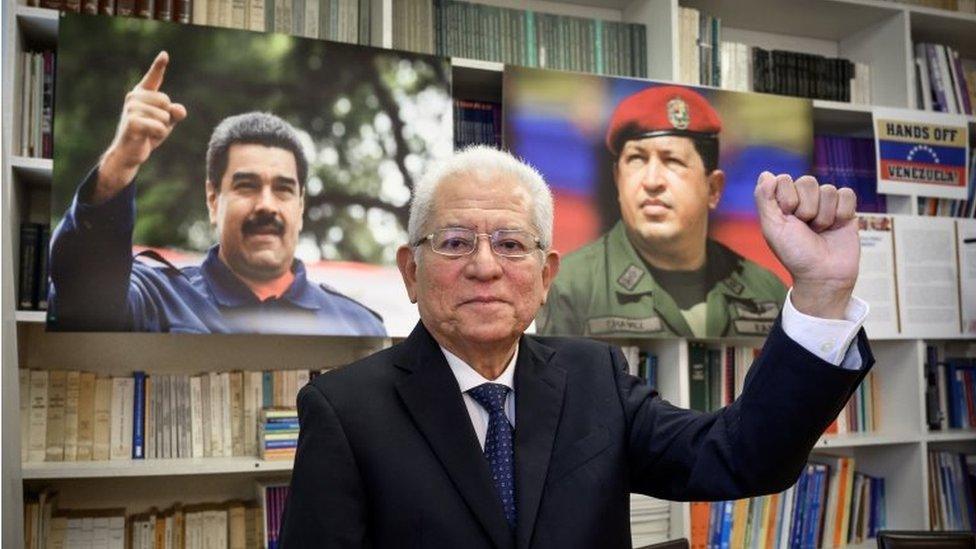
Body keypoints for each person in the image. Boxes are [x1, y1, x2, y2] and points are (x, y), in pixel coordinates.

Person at [279, 145, 872, 548]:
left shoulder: (596, 376)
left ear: (545, 276)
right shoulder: (344, 410)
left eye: (512, 244)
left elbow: (741, 455)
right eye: (456, 242)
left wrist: (821, 294)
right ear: (411, 271)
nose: (485, 266)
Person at [48, 51, 386, 336]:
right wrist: (119, 165)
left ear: (300, 207)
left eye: (283, 190)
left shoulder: (359, 327)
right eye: (247, 186)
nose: (266, 205)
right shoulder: (153, 298)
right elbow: (83, 297)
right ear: (213, 200)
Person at [538, 85, 788, 338]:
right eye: (637, 160)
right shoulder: (568, 290)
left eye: (673, 161)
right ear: (617, 180)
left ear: (713, 188)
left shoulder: (766, 293)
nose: (652, 180)